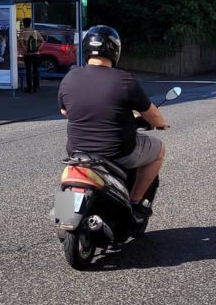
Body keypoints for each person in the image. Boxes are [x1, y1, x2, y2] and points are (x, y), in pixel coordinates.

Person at [57, 25, 168, 217]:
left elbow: (64, 110)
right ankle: (135, 202)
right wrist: (160, 124)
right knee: (159, 149)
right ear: (115, 50)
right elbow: (153, 115)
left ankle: (64, 214)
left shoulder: (70, 77)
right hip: (117, 152)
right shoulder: (124, 80)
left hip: (77, 151)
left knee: (69, 176)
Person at [18, 18, 43, 93]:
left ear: (24, 23)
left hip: (27, 55)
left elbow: (20, 42)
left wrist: (24, 49)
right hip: (36, 54)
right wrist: (38, 49)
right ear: (30, 23)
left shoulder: (22, 32)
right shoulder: (35, 32)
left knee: (28, 71)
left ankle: (29, 88)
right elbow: (42, 41)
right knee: (35, 71)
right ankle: (35, 87)